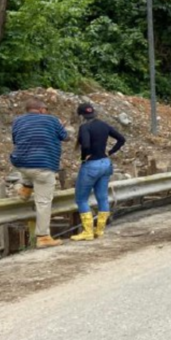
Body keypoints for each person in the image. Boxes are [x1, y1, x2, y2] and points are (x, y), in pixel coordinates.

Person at [10, 98, 69, 248]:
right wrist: (61, 126)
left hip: (21, 164)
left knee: (29, 167)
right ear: (42, 110)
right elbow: (65, 137)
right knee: (43, 203)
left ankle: (25, 189)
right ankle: (43, 237)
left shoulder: (17, 121)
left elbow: (16, 140)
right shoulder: (52, 120)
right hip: (43, 167)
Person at [71, 103, 126, 241]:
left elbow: (86, 144)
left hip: (92, 165)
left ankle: (88, 232)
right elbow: (121, 139)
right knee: (102, 197)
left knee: (81, 199)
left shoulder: (85, 127)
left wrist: (84, 157)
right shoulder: (104, 125)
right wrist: (111, 152)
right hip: (106, 163)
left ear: (81, 115)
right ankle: (100, 230)